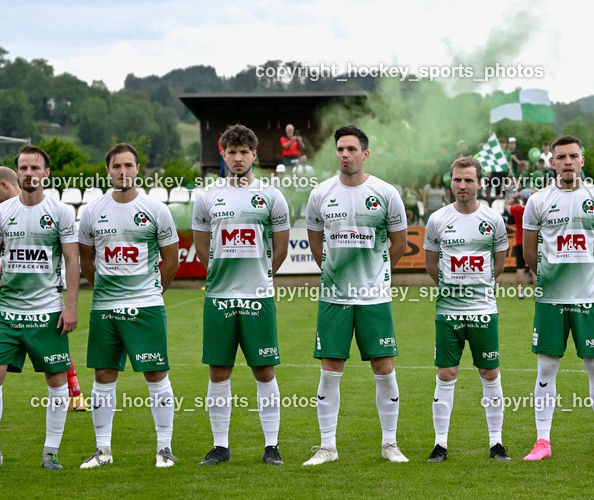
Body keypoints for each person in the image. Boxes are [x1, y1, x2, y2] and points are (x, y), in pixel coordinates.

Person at [304, 125, 408, 464]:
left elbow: (400, 244)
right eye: (340, 149)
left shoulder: (386, 193)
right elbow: (315, 242)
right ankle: (327, 447)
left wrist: (378, 274)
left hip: (373, 298)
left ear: (365, 154)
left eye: (351, 149)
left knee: (384, 366)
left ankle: (390, 444)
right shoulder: (320, 193)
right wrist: (333, 273)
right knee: (330, 368)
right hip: (334, 298)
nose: (344, 154)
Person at [192, 125, 291, 466]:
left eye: (243, 152)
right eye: (231, 152)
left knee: (264, 372)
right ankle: (220, 446)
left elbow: (280, 248)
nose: (237, 158)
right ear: (223, 154)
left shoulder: (272, 196)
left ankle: (272, 446)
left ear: (254, 155)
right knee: (219, 372)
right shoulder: (207, 196)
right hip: (219, 296)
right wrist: (220, 271)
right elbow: (203, 246)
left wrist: (261, 275)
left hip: (257, 297)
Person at [78, 143, 180, 468]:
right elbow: (86, 259)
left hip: (146, 307)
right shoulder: (92, 211)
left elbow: (172, 260)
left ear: (138, 169)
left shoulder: (156, 209)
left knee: (156, 373)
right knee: (104, 374)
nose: (123, 172)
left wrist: (151, 292)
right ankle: (103, 451)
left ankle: (164, 450)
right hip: (105, 308)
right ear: (107, 170)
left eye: (129, 166)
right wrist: (104, 292)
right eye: (117, 166)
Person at [522, 135, 594, 461]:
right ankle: (542, 442)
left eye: (573, 156)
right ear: (551, 162)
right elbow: (528, 253)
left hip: (588, 299)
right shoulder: (538, 201)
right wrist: (554, 277)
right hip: (550, 298)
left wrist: (585, 274)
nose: (567, 162)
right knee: (547, 368)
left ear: (583, 160)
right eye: (561, 157)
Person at [423, 157, 511, 462]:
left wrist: (477, 288)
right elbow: (431, 264)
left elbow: (498, 264)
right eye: (457, 179)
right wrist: (452, 288)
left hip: (483, 309)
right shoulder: (437, 220)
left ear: (479, 183)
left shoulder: (493, 220)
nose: (462, 185)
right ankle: (440, 444)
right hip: (448, 311)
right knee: (446, 373)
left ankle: (497, 443)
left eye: (469, 180)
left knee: (489, 372)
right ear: (451, 181)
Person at [0, 146, 80, 470]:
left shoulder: (60, 212)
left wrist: (71, 306)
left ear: (46, 173)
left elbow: (73, 260)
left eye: (35, 168)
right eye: (23, 168)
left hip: (47, 311)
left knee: (57, 381)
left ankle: (51, 451)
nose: (29, 173)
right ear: (17, 173)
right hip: (6, 311)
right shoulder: (3, 212)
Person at [508, 190, 533, 299]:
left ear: (521, 199)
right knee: (534, 269)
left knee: (520, 269)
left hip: (520, 242)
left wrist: (515, 196)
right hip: (532, 241)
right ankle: (537, 293)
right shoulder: (534, 209)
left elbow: (506, 205)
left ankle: (521, 293)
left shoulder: (517, 209)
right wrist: (534, 192)